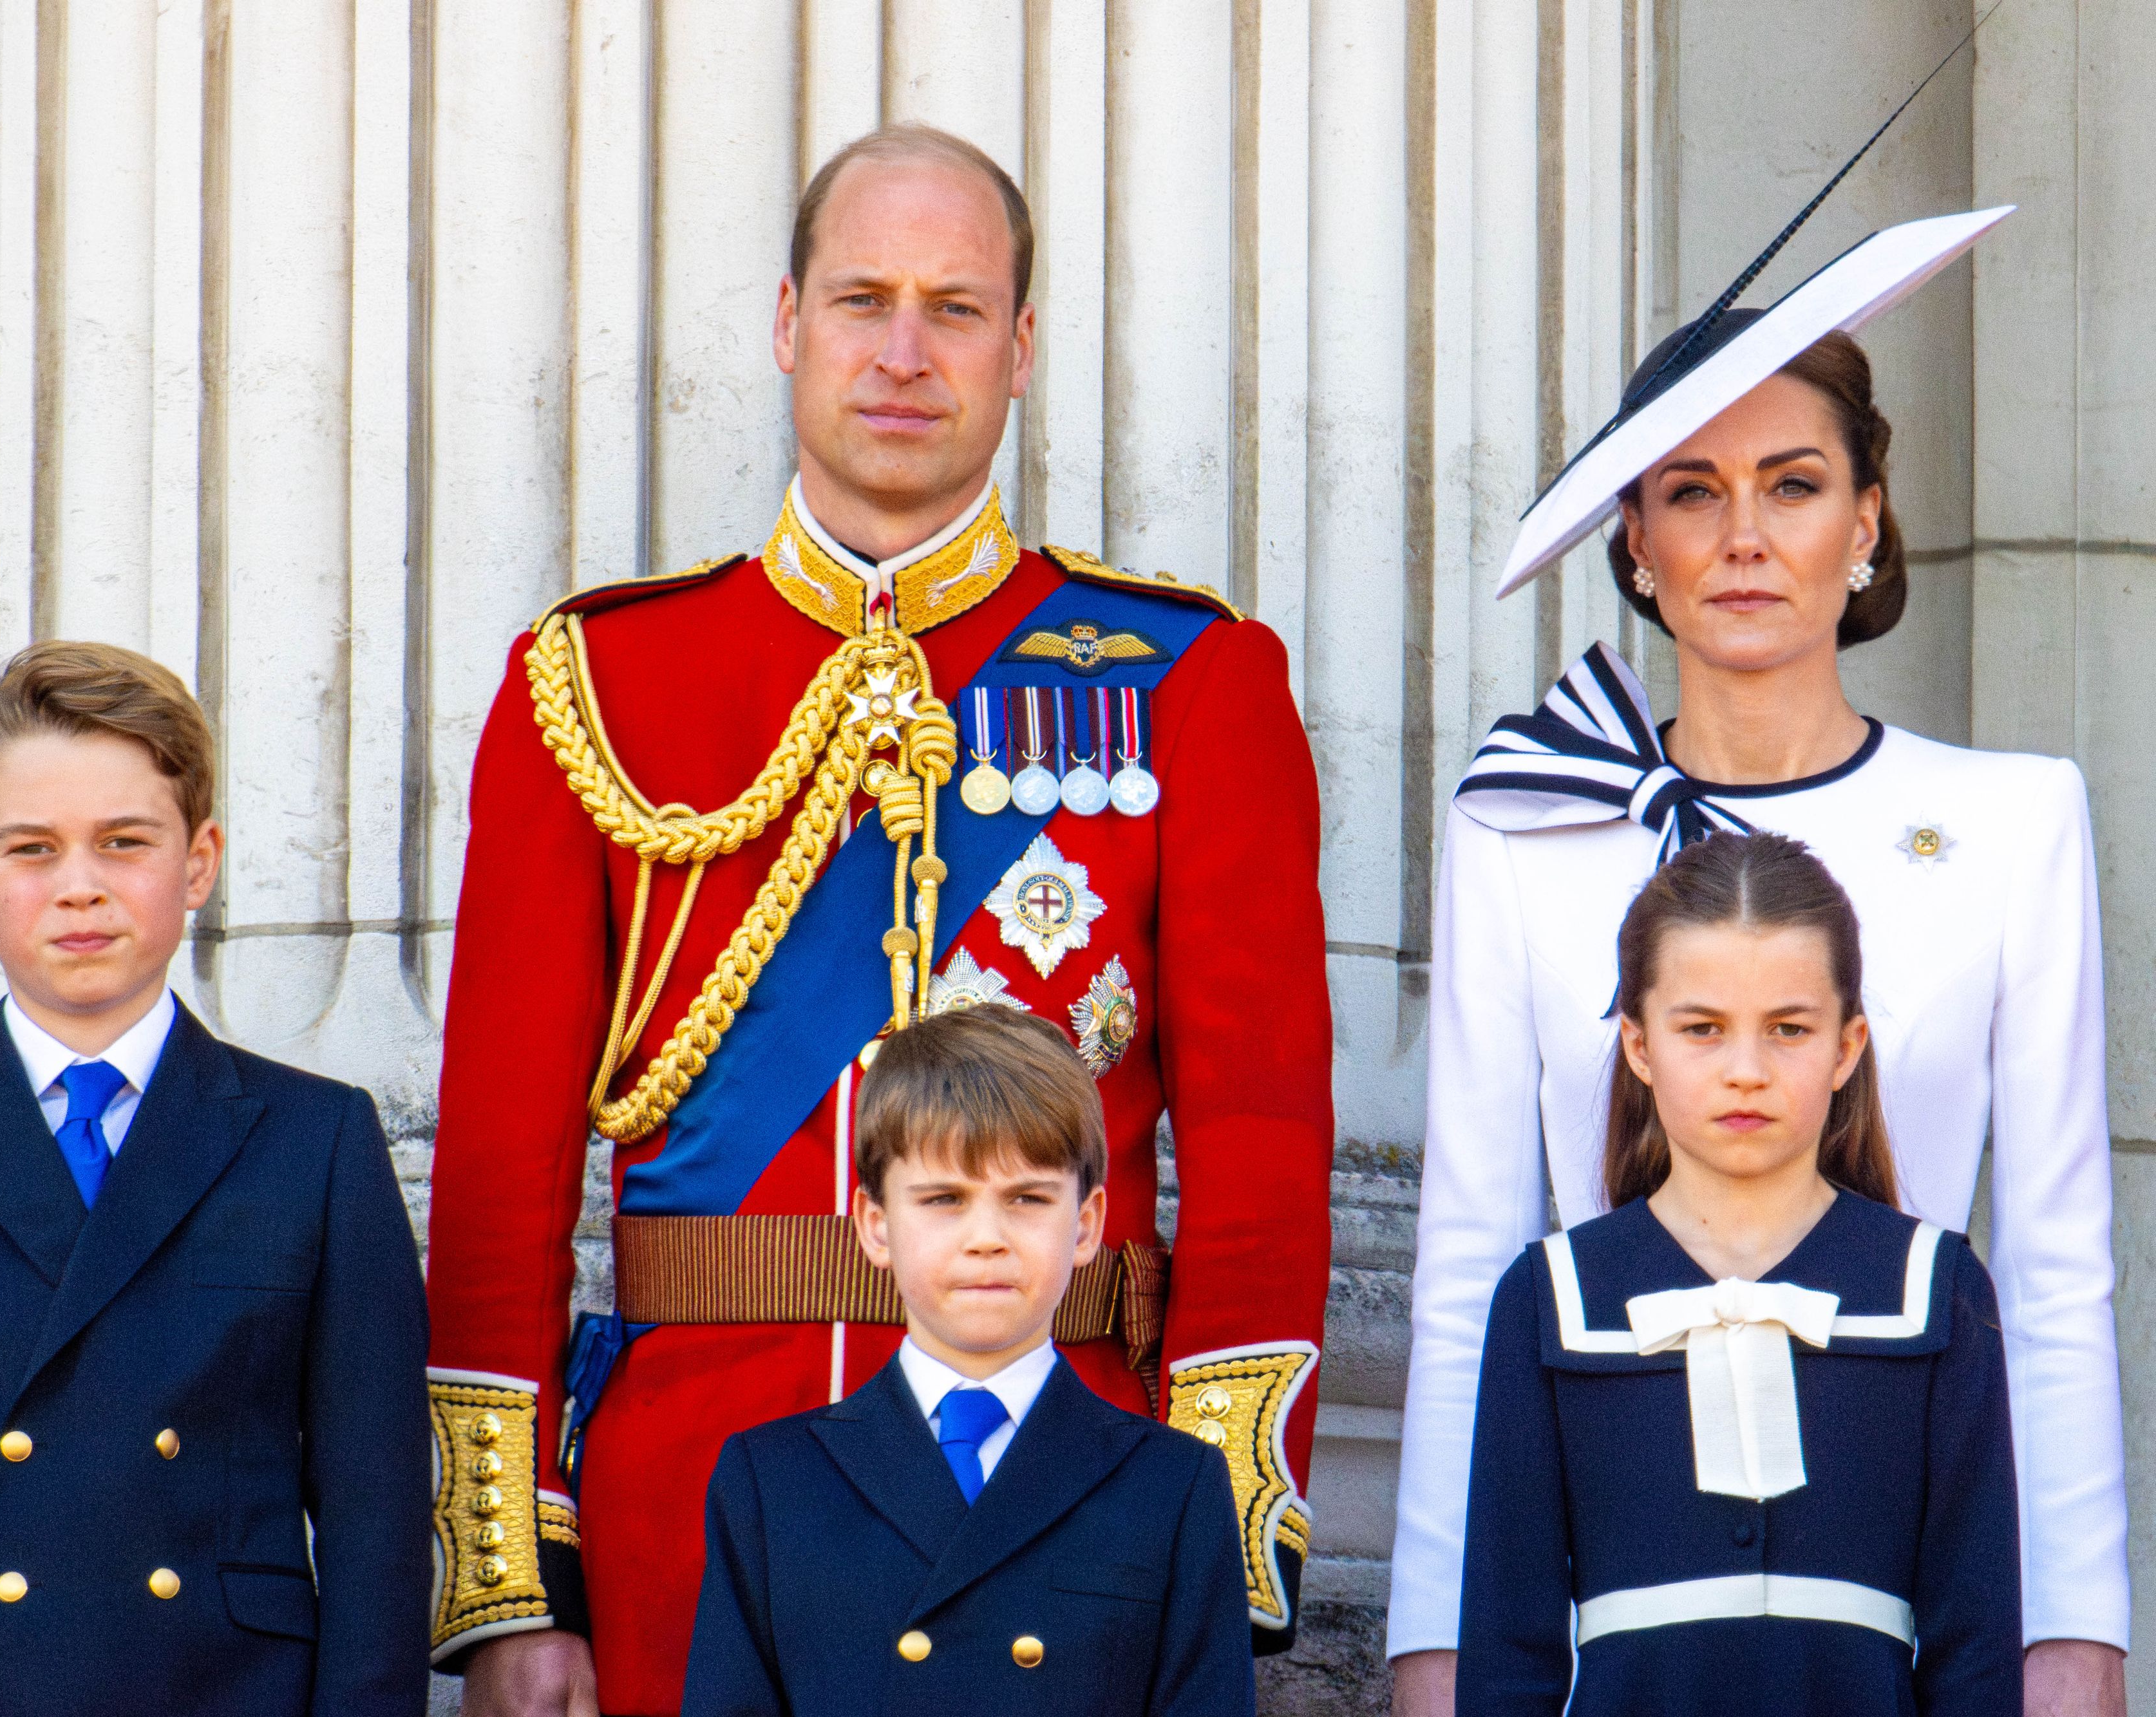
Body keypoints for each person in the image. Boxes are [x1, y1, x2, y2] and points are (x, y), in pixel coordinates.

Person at [429, 123, 1334, 1717]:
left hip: (1067, 1502)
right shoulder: (598, 683)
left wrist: (1215, 1542)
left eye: (954, 308)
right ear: (789, 325)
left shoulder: (1191, 683)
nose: (904, 353)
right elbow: (500, 1174)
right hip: (683, 1507)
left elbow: (1261, 1161)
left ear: (1019, 347)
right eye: (862, 301)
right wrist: (511, 1581)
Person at [1390, 212, 2127, 1713]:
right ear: (1632, 540)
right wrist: (1433, 1642)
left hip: (1905, 1560)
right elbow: (1466, 1262)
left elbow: (2056, 1276)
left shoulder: (2010, 822)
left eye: (1791, 485)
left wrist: (2072, 1633)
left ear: (1863, 523)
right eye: (1690, 491)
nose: (1741, 536)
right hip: (1615, 1589)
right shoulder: (1524, 826)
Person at [0, 641, 433, 1716]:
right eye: (33, 848)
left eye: (125, 841)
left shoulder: (315, 1141)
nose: (80, 885)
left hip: (227, 1693)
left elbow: (375, 1518)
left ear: (198, 861)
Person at [1457, 832, 2019, 1716]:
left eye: (1789, 1029)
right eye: (1702, 1029)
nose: (1747, 1071)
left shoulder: (1934, 1287)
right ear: (1639, 1045)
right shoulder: (1551, 1296)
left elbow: (1975, 1653)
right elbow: (1506, 1654)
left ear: (1847, 1046)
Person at [681, 1006, 1254, 1716]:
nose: (987, 1237)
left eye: (1027, 1198)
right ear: (876, 1226)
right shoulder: (771, 1482)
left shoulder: (1174, 1486)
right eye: (945, 1199)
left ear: (1085, 1225)